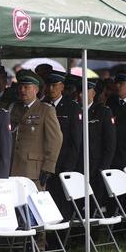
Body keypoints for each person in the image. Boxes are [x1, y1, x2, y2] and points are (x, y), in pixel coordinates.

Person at [9, 69, 62, 191]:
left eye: (26, 87)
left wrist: (48, 167)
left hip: (34, 170)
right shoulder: (14, 108)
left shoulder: (46, 110)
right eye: (20, 87)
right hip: (13, 167)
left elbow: (55, 140)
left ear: (36, 90)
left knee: (33, 206)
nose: (22, 90)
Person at [42, 71, 82, 218]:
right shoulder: (42, 105)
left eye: (55, 85)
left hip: (63, 162)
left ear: (62, 87)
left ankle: (62, 239)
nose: (51, 88)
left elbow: (75, 140)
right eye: (49, 85)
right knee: (47, 201)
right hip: (45, 163)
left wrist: (69, 167)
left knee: (62, 202)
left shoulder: (72, 107)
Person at [77, 80, 116, 213]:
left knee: (94, 205)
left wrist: (103, 167)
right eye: (80, 92)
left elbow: (110, 143)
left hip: (96, 166)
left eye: (85, 91)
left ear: (93, 93)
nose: (81, 95)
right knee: (77, 204)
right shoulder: (75, 110)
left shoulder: (103, 112)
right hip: (77, 166)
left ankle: (93, 233)